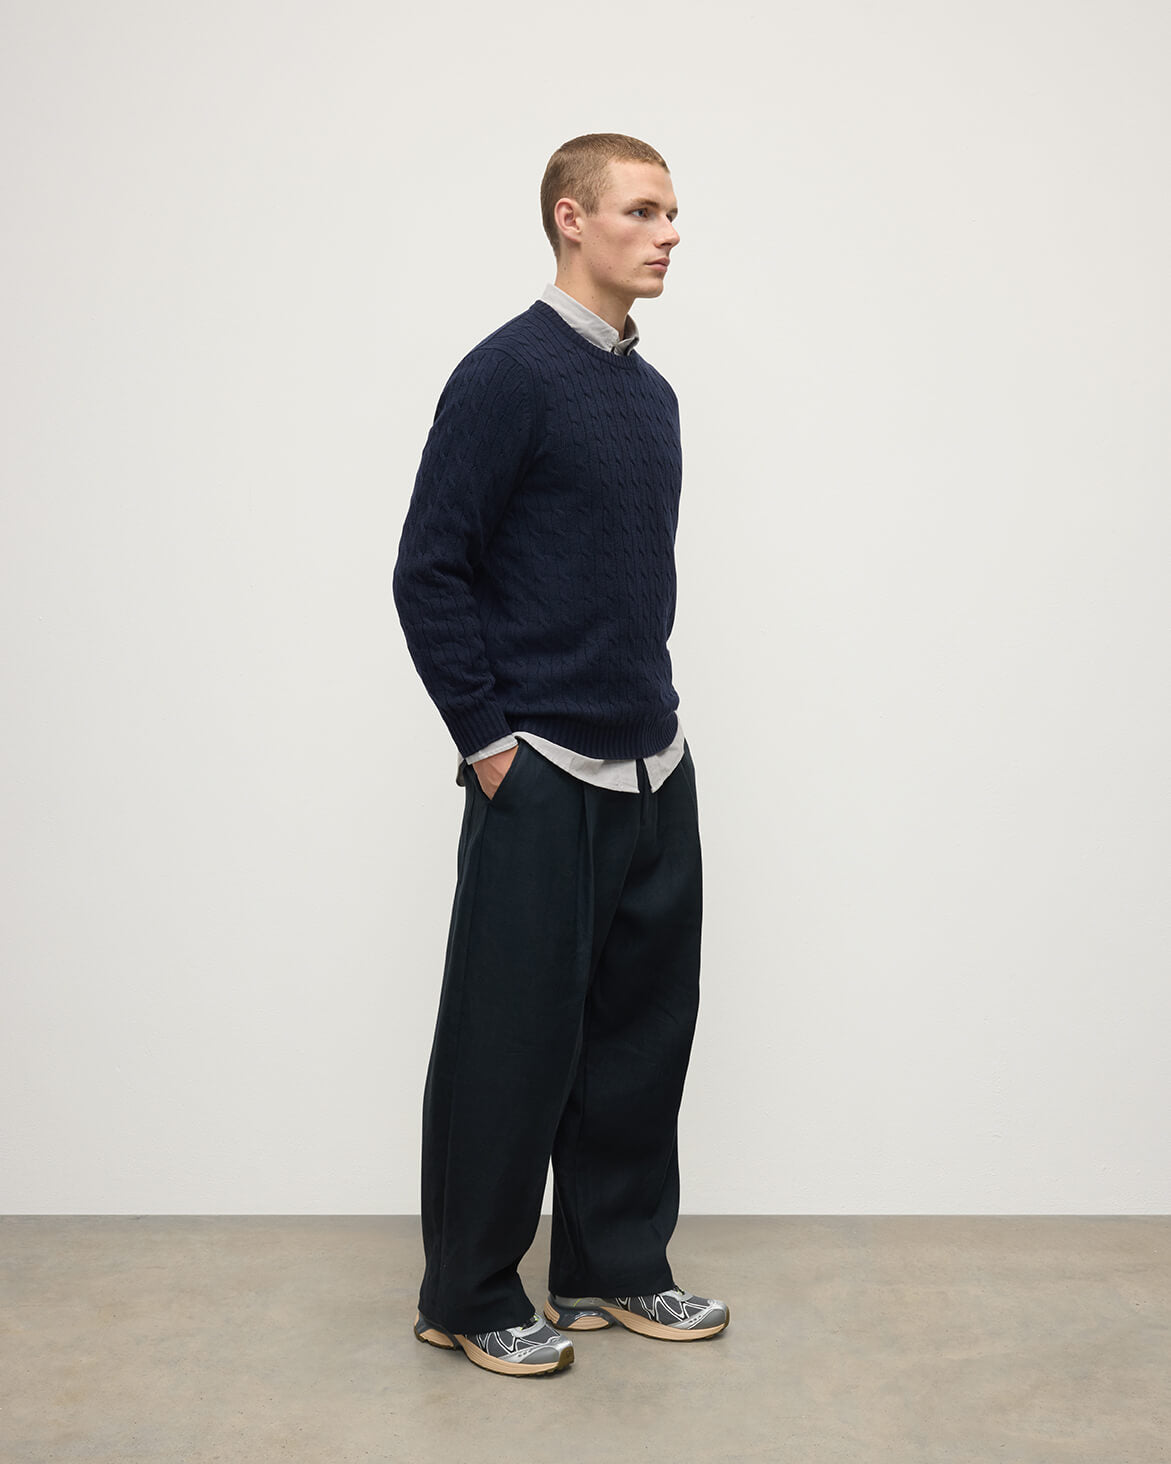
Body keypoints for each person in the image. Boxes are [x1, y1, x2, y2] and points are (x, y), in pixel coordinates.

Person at [392, 132, 729, 1378]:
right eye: (642, 211)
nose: (668, 233)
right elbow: (429, 570)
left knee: (641, 1037)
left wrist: (660, 736)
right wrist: (490, 744)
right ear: (570, 218)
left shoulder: (652, 395)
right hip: (540, 768)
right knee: (507, 1045)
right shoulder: (507, 375)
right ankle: (469, 1294)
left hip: (652, 762)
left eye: (673, 212)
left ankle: (613, 1267)